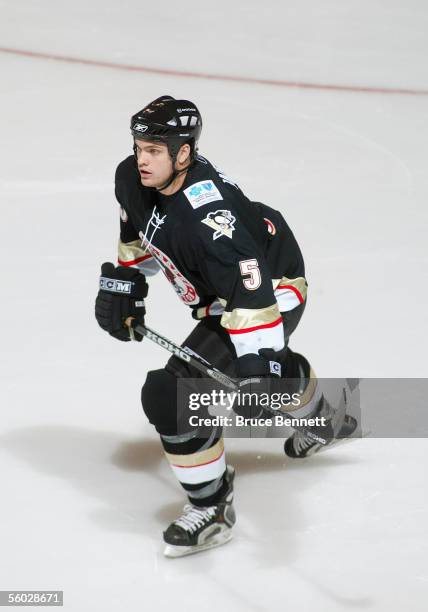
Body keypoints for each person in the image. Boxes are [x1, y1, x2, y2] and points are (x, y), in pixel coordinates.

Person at [95, 95, 349, 558]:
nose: (142, 159)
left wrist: (261, 365)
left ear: (184, 152)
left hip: (269, 284)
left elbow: (252, 298)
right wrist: (126, 282)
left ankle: (212, 508)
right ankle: (322, 415)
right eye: (139, 146)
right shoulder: (131, 178)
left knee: (170, 394)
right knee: (197, 386)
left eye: (155, 149)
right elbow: (138, 232)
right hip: (222, 286)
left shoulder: (214, 221)